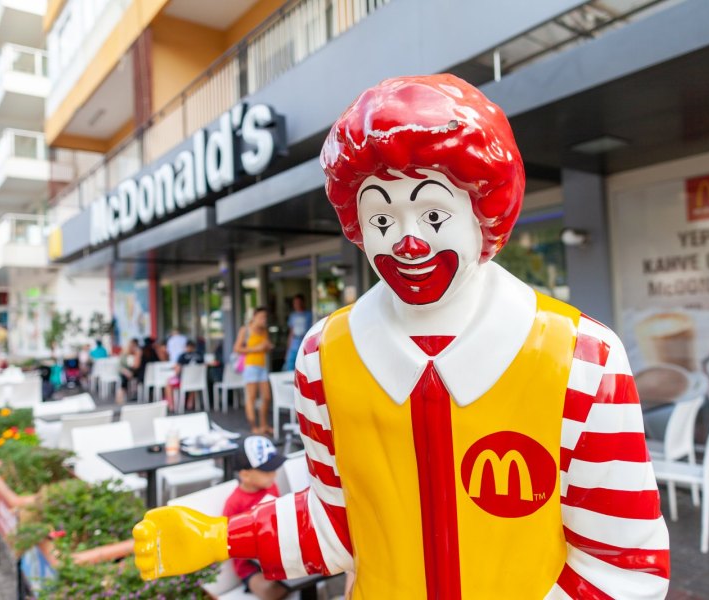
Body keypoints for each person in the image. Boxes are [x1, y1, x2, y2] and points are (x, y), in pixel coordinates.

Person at [134, 75, 669, 599]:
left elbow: (623, 563)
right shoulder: (324, 359)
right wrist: (221, 535)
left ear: (484, 212)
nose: (409, 242)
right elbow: (339, 526)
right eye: (382, 219)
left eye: (433, 214)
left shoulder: (582, 357)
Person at [222, 436, 288, 600]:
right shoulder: (234, 504)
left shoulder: (272, 487)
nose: (274, 473)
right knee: (272, 590)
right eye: (267, 470)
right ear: (245, 475)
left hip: (277, 556)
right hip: (249, 567)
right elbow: (230, 541)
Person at [234, 307, 274, 434]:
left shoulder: (264, 331)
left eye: (265, 317)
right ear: (254, 317)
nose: (264, 320)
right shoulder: (245, 330)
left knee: (267, 397)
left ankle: (264, 425)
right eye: (261, 317)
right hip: (250, 366)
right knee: (251, 397)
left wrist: (268, 347)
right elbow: (237, 348)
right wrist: (256, 349)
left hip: (262, 366)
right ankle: (254, 427)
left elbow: (266, 347)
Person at [166, 339, 205, 411]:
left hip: (183, 382)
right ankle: (190, 403)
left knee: (168, 382)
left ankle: (171, 405)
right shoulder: (200, 355)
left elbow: (177, 371)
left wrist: (174, 372)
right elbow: (204, 366)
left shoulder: (182, 356)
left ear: (186, 347)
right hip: (198, 382)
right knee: (193, 382)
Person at [282, 294, 313, 371]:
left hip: (304, 344)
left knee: (304, 366)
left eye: (299, 302)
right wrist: (288, 349)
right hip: (294, 344)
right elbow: (291, 333)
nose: (297, 305)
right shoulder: (292, 316)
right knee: (290, 365)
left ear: (303, 303)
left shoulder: (309, 314)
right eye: (295, 303)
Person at [117, 339, 141, 404]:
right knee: (124, 378)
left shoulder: (135, 354)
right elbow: (120, 366)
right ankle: (120, 397)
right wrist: (126, 371)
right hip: (124, 372)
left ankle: (130, 394)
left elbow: (135, 366)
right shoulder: (124, 355)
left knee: (129, 378)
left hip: (132, 372)